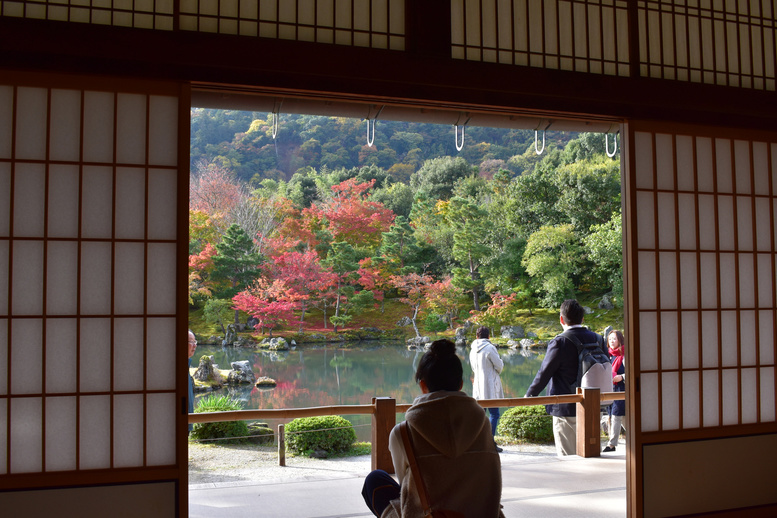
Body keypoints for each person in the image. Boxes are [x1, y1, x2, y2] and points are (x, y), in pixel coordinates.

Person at [361, 339, 503, 518]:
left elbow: (406, 485)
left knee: (375, 479)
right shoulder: (483, 424)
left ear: (422, 385)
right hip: (480, 513)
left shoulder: (402, 433)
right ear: (460, 384)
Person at [524, 299, 603, 456]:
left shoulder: (560, 342)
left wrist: (530, 395)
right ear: (582, 319)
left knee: (568, 457)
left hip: (566, 407)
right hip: (594, 406)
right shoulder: (598, 339)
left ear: (561, 319)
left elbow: (544, 372)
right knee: (591, 455)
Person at [470, 326, 505, 449]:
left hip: (478, 386)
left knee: (480, 415)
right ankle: (490, 443)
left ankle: (478, 443)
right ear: (488, 336)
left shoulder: (473, 349)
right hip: (490, 386)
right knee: (494, 414)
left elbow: (473, 368)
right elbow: (499, 366)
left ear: (477, 336)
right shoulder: (490, 348)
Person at [603, 329, 626, 452]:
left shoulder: (624, 355)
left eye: (614, 339)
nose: (612, 341)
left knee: (616, 415)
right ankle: (638, 434)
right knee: (620, 417)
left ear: (620, 340)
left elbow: (633, 372)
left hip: (622, 389)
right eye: (610, 338)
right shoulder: (608, 355)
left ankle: (611, 445)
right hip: (610, 389)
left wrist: (621, 377)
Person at [188, 330, 197, 432]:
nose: (194, 346)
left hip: (187, 421)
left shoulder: (187, 364)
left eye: (195, 342)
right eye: (191, 342)